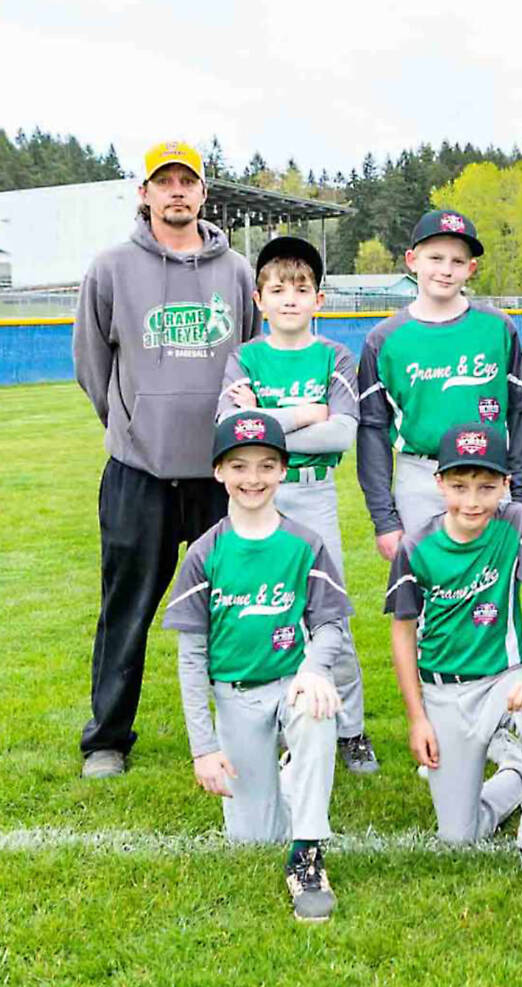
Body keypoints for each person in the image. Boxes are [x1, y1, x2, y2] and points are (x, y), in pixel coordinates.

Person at [73, 140, 259, 778]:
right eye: (164, 181)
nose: (177, 190)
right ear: (145, 193)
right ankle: (106, 739)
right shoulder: (111, 267)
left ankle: (242, 728)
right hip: (139, 473)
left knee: (234, 606)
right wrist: (130, 425)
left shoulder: (236, 271)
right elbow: (92, 364)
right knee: (126, 609)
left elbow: (249, 359)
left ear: (204, 193)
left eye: (188, 180)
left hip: (221, 474)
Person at [384, 423, 522, 895]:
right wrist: (417, 719)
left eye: (486, 486)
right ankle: (515, 770)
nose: (473, 501)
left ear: (505, 484)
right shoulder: (416, 546)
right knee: (460, 836)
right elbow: (402, 635)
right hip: (443, 691)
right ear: (439, 483)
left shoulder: (516, 522)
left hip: (505, 678)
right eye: (460, 487)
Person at [163, 411, 351, 922]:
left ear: (284, 471)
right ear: (219, 471)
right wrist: (204, 748)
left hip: (291, 684)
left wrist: (313, 669)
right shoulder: (206, 553)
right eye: (239, 466)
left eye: (267, 465)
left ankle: (307, 856)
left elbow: (330, 625)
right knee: (253, 838)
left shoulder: (304, 543)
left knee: (316, 710)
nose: (253, 478)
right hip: (236, 696)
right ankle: (288, 775)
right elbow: (191, 659)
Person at [217, 236, 378, 773]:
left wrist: (263, 418)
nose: (290, 298)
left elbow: (341, 434)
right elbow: (231, 429)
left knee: (329, 611)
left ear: (318, 299)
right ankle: (283, 723)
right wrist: (305, 413)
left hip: (313, 493)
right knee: (266, 609)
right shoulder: (245, 357)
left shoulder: (335, 356)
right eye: (278, 289)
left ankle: (351, 730)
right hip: (257, 496)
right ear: (259, 300)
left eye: (302, 289)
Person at [357, 209, 522, 563]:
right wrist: (384, 519)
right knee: (425, 584)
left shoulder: (498, 328)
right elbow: (373, 430)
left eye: (458, 261)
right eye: (435, 258)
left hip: (489, 473)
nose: (446, 269)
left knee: (492, 585)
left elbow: (519, 413)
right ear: (412, 260)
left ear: (471, 268)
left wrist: (521, 497)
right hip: (420, 476)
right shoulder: (384, 339)